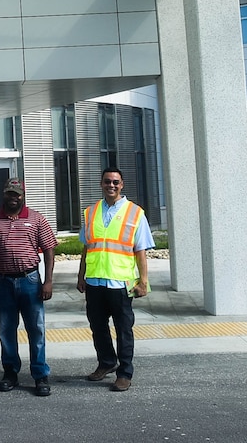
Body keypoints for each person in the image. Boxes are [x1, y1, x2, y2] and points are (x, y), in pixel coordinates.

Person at [0, 177, 57, 397]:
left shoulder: (37, 218)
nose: (13, 198)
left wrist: (48, 280)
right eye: (9, 193)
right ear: (4, 194)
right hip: (2, 281)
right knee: (6, 329)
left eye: (17, 194)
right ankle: (10, 372)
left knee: (36, 329)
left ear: (23, 195)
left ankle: (40, 374)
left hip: (30, 280)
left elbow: (49, 249)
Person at [77, 167, 155, 393]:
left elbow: (140, 250)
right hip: (95, 282)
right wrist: (81, 276)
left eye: (115, 182)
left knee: (123, 329)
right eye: (107, 182)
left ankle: (125, 373)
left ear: (122, 185)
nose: (111, 185)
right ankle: (106, 363)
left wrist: (143, 281)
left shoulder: (135, 213)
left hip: (120, 283)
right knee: (98, 327)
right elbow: (87, 247)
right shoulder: (91, 212)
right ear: (101, 184)